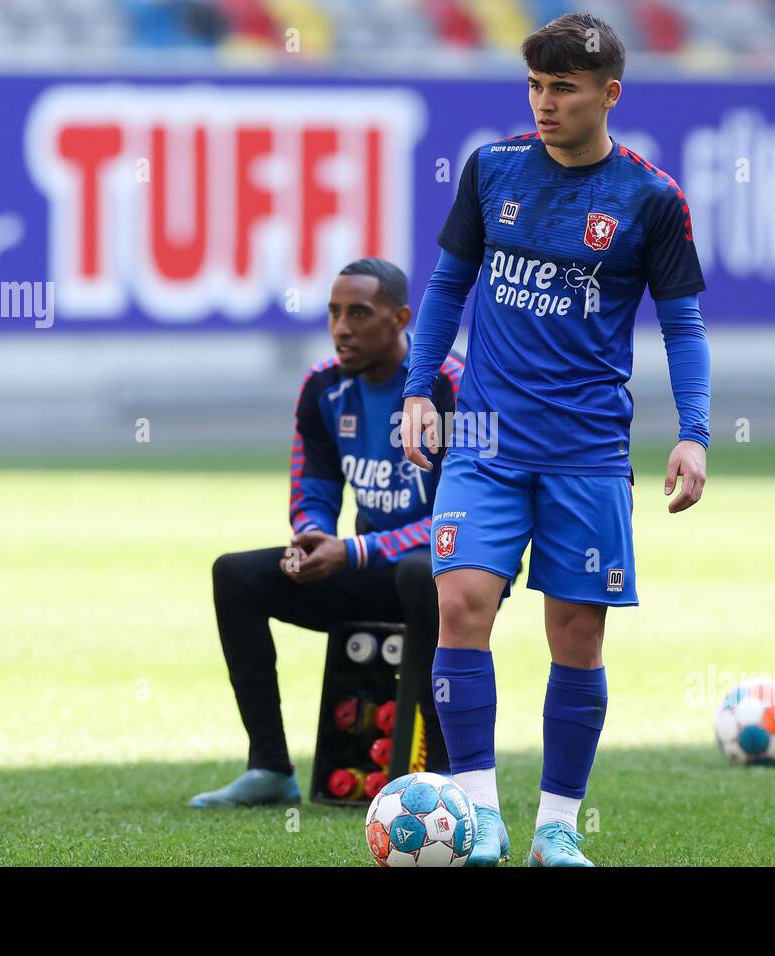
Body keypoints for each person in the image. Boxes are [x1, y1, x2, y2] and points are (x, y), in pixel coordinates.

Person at [398, 12, 712, 865]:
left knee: (576, 634)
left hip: (588, 450)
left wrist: (694, 434)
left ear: (608, 94)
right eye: (535, 86)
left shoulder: (651, 198)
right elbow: (446, 285)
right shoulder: (492, 168)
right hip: (488, 438)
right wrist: (421, 387)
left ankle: (557, 829)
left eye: (562, 89)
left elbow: (682, 328)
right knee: (460, 603)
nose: (544, 103)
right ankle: (478, 817)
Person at [191, 258, 462, 807]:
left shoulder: (452, 385)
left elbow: (462, 519)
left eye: (359, 313)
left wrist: (356, 550)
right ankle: (269, 767)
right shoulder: (322, 387)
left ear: (401, 318)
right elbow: (310, 486)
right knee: (236, 575)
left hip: (455, 572)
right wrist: (312, 536)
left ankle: (444, 778)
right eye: (334, 312)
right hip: (367, 568)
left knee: (418, 573)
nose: (341, 327)